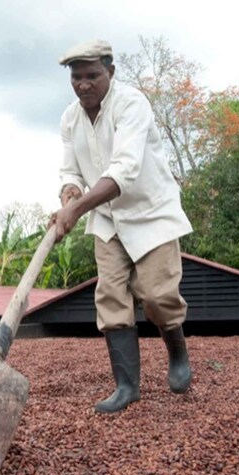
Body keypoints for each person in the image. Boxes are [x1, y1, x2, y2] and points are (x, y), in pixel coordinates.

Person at [50, 39, 194, 413]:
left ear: (110, 73)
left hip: (150, 212)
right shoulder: (69, 119)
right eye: (77, 77)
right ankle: (127, 387)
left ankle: (178, 354)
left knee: (157, 294)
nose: (84, 84)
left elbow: (124, 170)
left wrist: (76, 209)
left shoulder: (132, 104)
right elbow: (70, 171)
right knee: (111, 297)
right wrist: (69, 194)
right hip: (108, 219)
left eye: (92, 75)